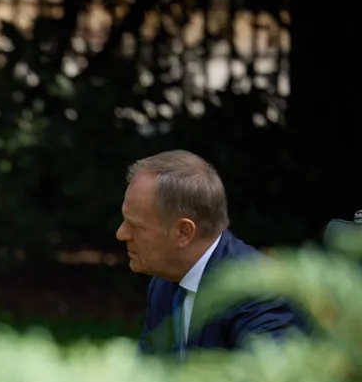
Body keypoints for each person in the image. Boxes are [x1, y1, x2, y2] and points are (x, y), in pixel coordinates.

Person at [115, 150, 305, 357]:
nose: (121, 234)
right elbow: (147, 372)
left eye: (135, 226)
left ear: (183, 232)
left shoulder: (257, 292)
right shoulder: (163, 284)